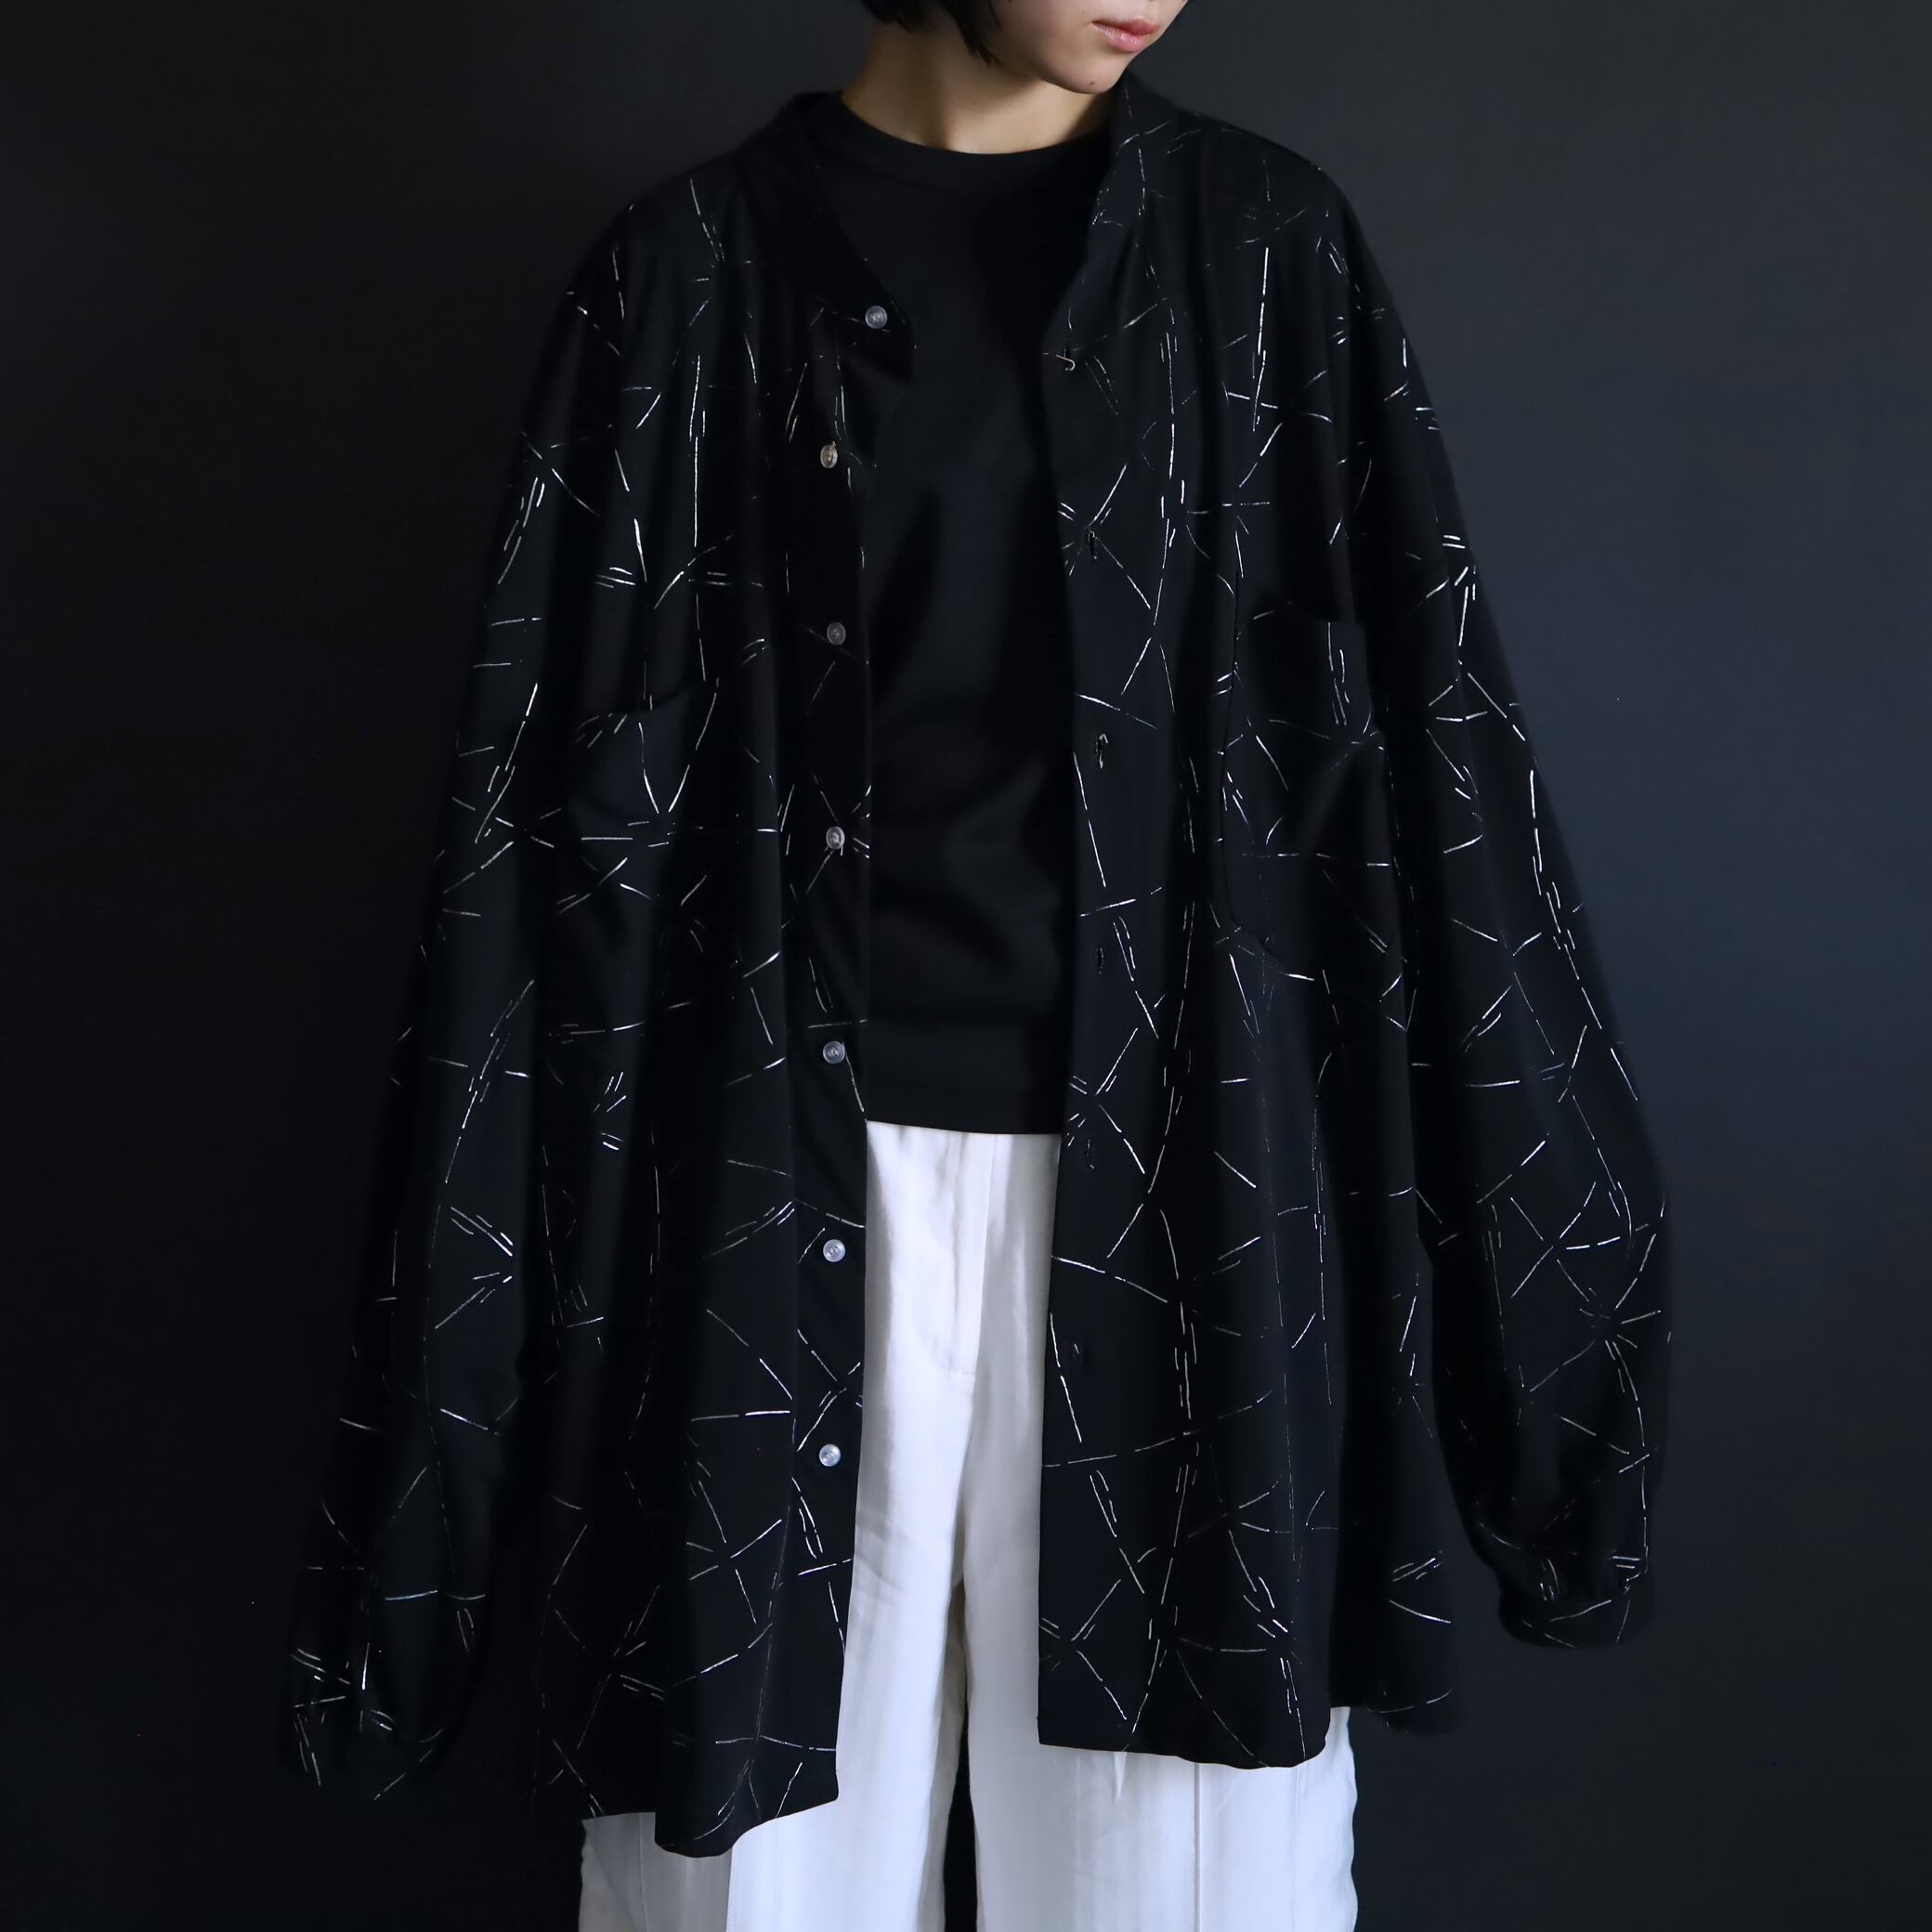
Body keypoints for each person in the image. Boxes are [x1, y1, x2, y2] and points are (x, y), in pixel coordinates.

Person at [278, 4, 1674, 1929]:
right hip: (750, 1235)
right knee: (736, 1895)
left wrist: (1562, 1409)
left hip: (1194, 1234)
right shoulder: (681, 279)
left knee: (1198, 1893)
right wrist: (408, 1562)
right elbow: (511, 894)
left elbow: (1446, 795)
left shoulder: (1263, 255)